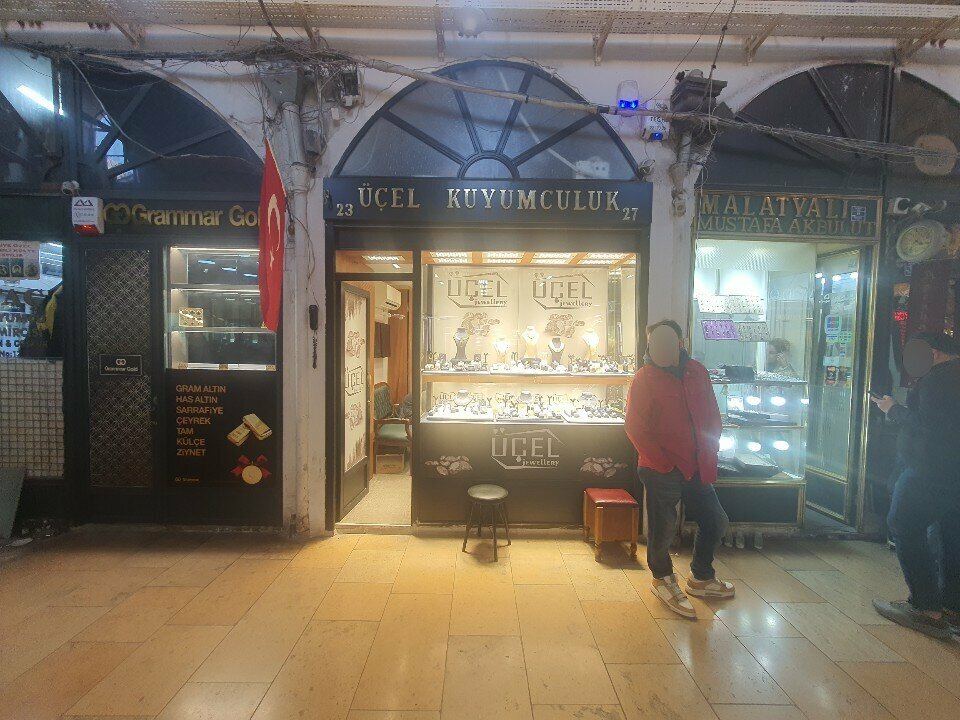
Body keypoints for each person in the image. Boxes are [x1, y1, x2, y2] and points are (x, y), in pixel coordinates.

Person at [625, 319, 735, 618]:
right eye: (654, 343)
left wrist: (711, 447)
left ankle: (701, 576)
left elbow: (711, 413)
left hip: (698, 463)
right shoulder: (644, 378)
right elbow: (635, 426)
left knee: (715, 520)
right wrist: (661, 462)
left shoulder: (697, 371)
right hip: (661, 467)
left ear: (680, 343)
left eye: (665, 341)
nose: (659, 348)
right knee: (663, 530)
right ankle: (663, 579)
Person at [872, 331, 960, 639]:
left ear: (932, 353)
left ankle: (926, 608)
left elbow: (930, 427)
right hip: (954, 474)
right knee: (950, 535)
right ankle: (952, 605)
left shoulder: (938, 380)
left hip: (928, 470)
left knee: (904, 524)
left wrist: (892, 409)